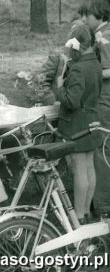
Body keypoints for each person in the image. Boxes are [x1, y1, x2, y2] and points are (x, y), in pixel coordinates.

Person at [56, 24, 102, 224]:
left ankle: (78, 215)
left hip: (76, 125)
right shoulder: (96, 64)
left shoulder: (77, 69)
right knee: (89, 167)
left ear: (76, 46)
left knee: (79, 169)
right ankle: (86, 212)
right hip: (92, 120)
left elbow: (71, 101)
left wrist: (59, 88)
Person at [81, 0, 110, 217]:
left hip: (104, 100)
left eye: (87, 15)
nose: (84, 19)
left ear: (98, 16)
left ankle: (102, 206)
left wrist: (87, 73)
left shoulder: (103, 37)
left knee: (101, 149)